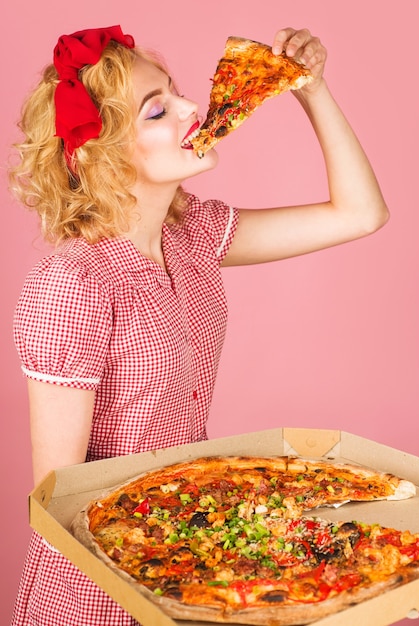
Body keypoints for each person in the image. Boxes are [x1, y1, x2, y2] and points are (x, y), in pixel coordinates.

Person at [10, 23, 389, 626]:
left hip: (191, 554)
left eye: (177, 92)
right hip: (102, 582)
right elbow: (61, 502)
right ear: (98, 153)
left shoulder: (195, 236)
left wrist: (310, 88)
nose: (194, 107)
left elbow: (361, 213)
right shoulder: (73, 285)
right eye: (158, 110)